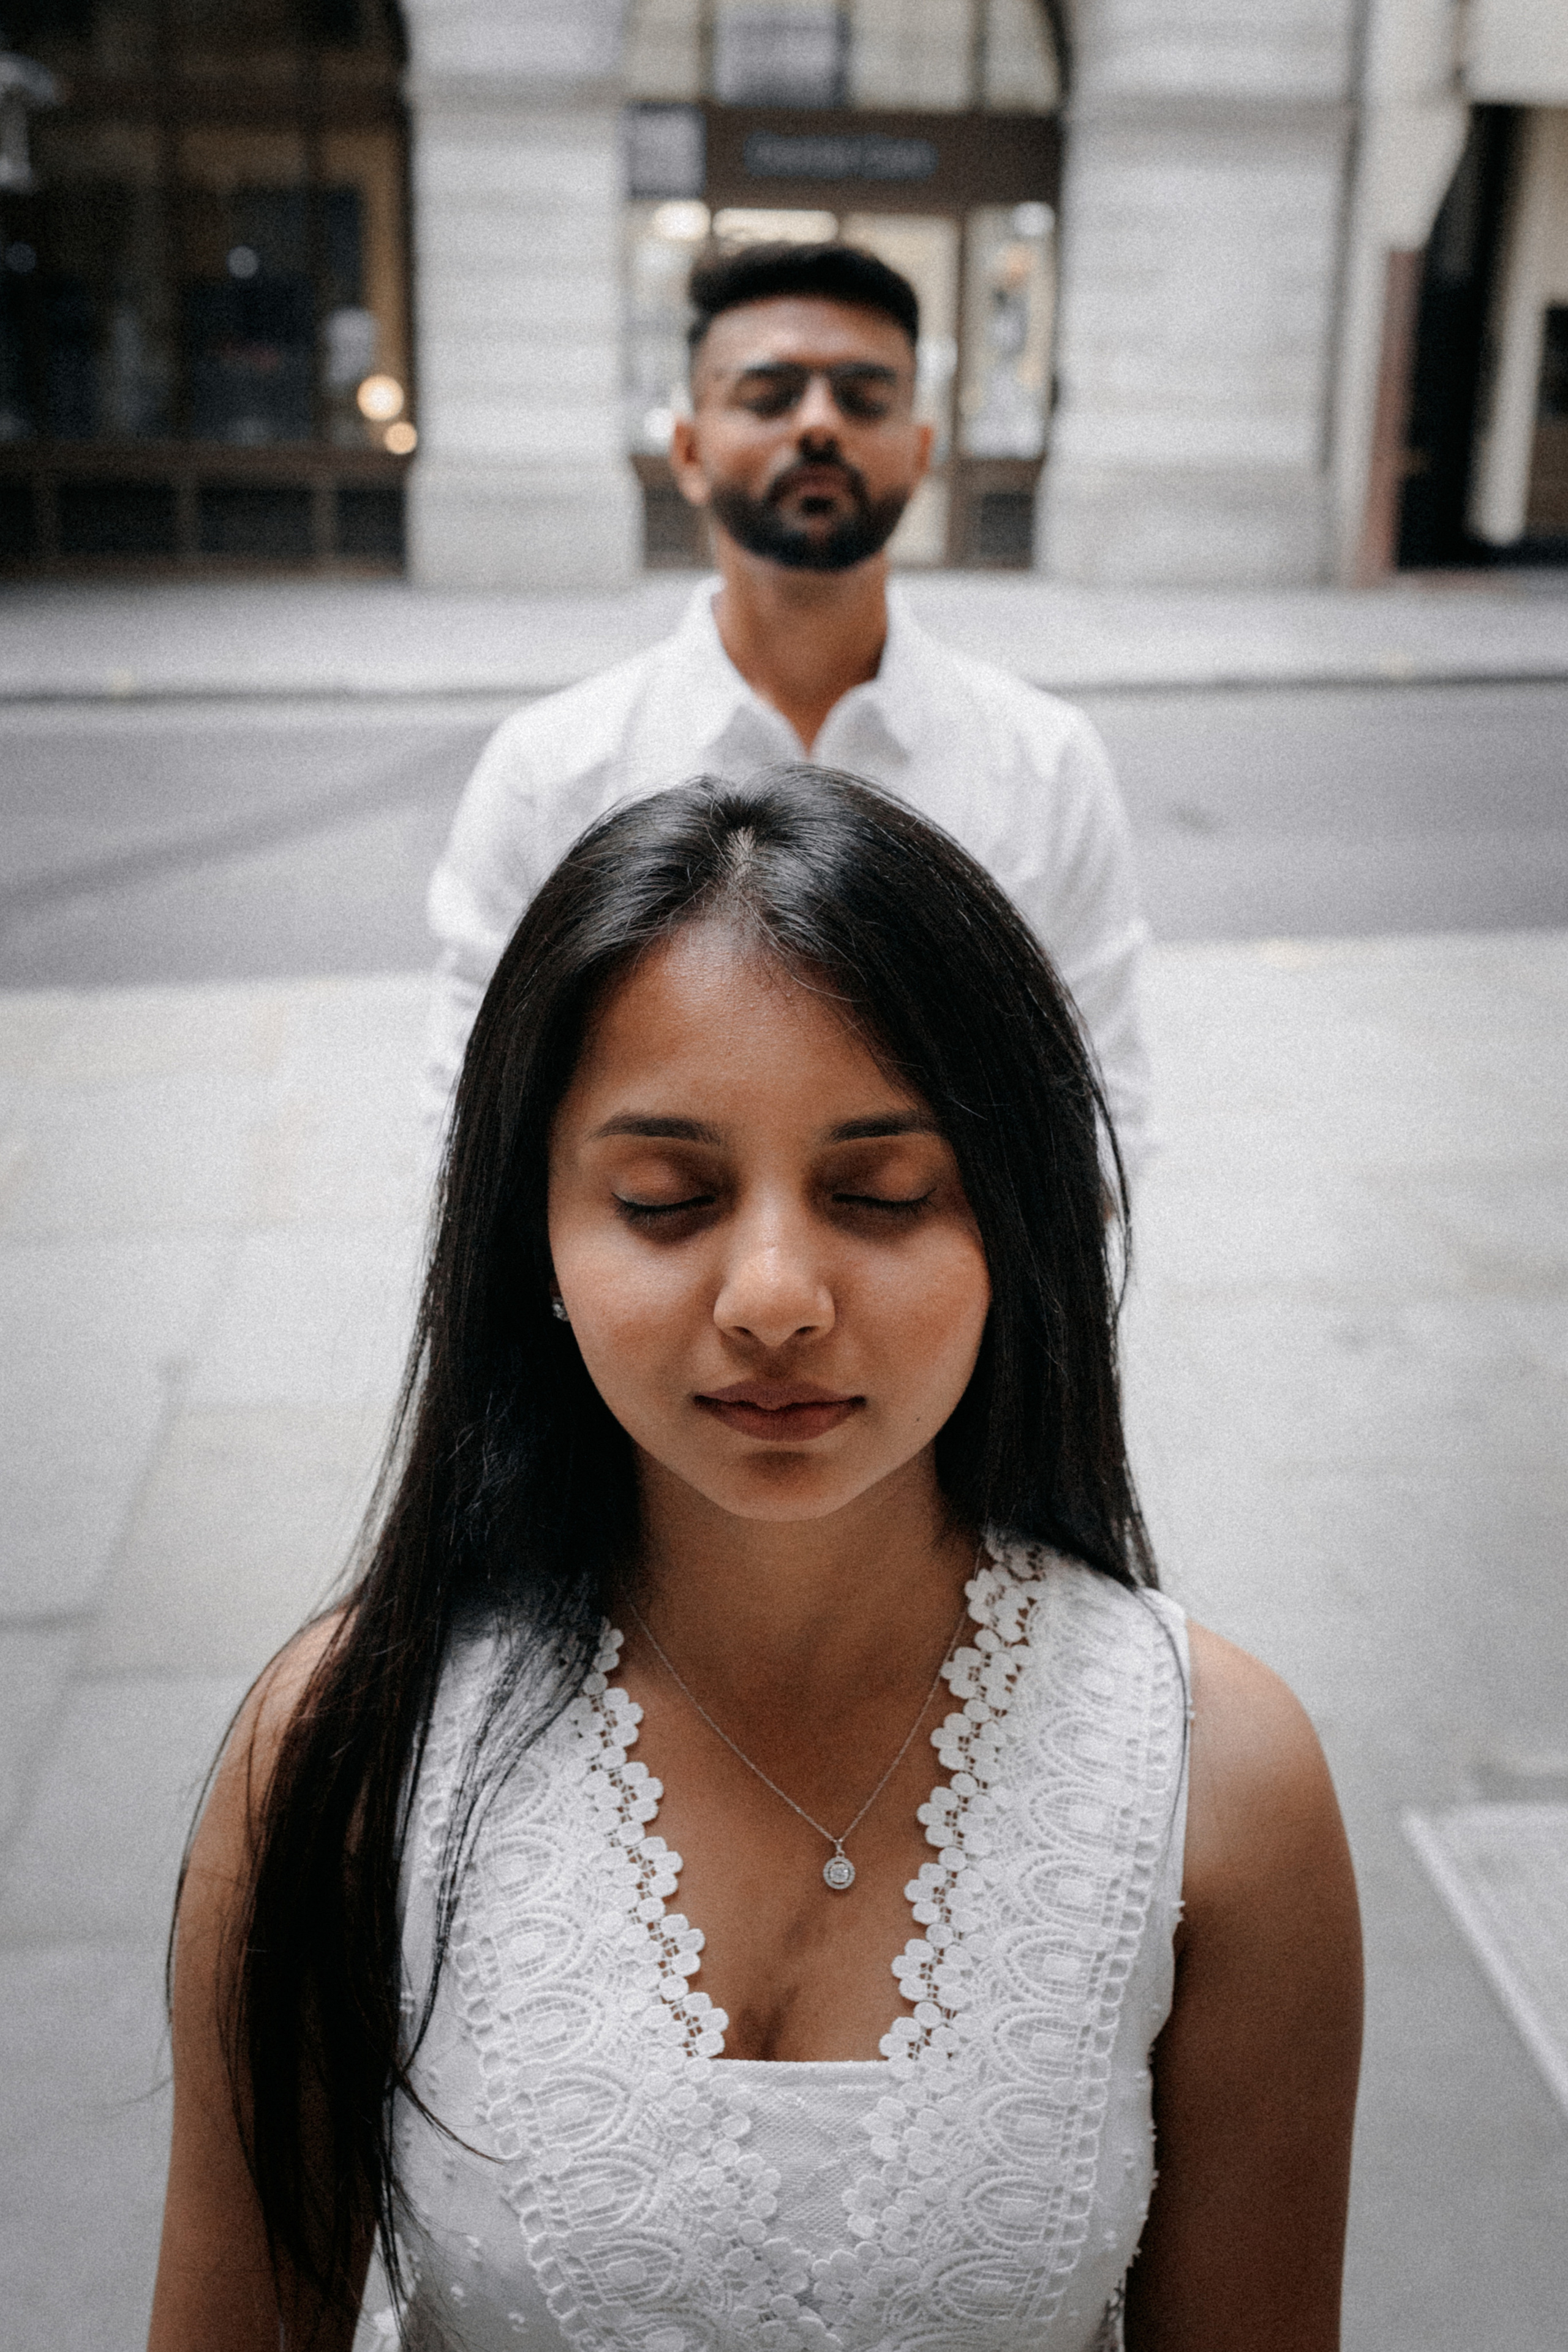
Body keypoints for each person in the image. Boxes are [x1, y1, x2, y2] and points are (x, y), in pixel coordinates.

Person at [149, 768, 1361, 2352]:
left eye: (880, 1192)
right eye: (666, 1200)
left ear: (1014, 1225)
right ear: (536, 1240)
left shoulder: (1223, 1789)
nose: (775, 1296)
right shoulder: (349, 1748)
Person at [426, 240, 1153, 1174]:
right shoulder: (550, 771)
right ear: (689, 450)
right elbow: (472, 1123)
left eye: (864, 397)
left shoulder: (1045, 763)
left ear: (920, 450)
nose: (818, 423)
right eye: (768, 396)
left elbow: (1101, 1109)